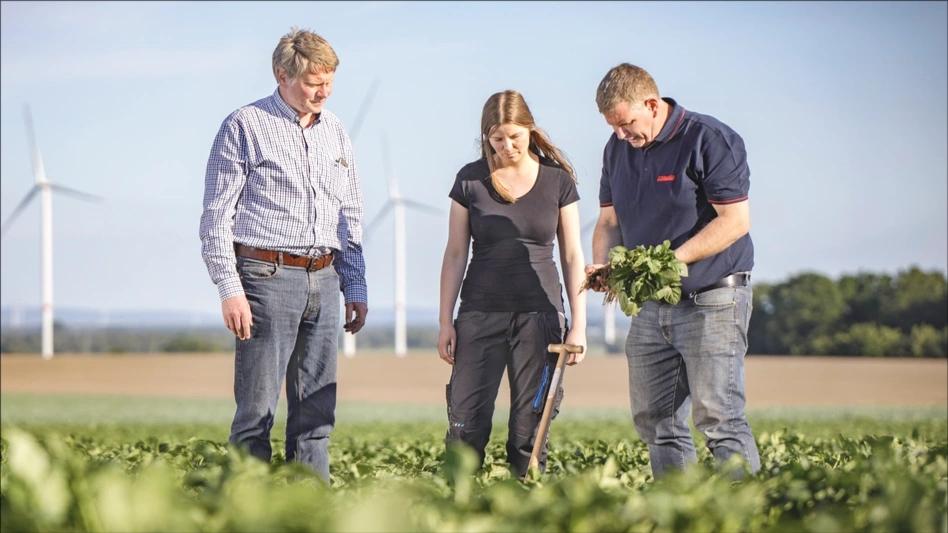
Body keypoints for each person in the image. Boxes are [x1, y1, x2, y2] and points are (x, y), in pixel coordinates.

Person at [199, 28, 367, 481]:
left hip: (326, 277)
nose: (324, 92)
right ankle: (246, 511)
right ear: (282, 74)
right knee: (256, 413)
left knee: (316, 413)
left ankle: (308, 511)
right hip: (266, 276)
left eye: (329, 82)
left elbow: (349, 214)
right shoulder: (244, 125)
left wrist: (355, 284)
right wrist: (230, 288)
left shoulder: (335, 131)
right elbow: (216, 216)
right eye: (315, 82)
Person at [587, 63, 760, 478]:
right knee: (656, 422)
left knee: (720, 419)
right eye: (613, 127)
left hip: (713, 298)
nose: (621, 135)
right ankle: (679, 511)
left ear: (651, 104)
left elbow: (735, 221)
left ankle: (744, 516)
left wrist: (671, 261)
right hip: (651, 305)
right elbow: (609, 223)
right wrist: (609, 266)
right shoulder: (616, 151)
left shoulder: (708, 138)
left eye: (627, 124)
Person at [438, 90, 587, 476]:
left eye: (515, 137)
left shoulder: (558, 182)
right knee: (466, 426)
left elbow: (572, 255)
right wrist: (444, 321)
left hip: (540, 318)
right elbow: (455, 253)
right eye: (497, 138)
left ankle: (526, 508)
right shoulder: (470, 180)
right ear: (486, 136)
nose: (507, 146)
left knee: (530, 429)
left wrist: (581, 323)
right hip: (479, 315)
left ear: (530, 130)